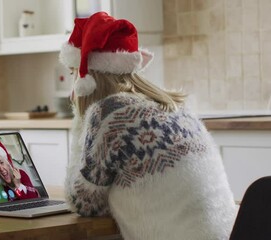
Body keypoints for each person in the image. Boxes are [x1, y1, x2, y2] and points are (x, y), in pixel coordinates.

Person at [59, 12, 237, 240]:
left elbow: (83, 203)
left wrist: (79, 122)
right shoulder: (174, 106)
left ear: (86, 80)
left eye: (74, 74)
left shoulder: (108, 114)